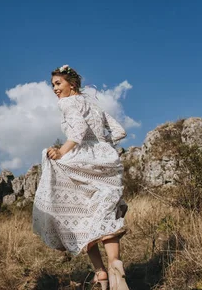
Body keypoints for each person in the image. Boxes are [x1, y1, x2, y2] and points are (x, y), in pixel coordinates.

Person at [33, 65, 130, 290]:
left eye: (58, 84)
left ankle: (100, 272)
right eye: (53, 85)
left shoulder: (67, 102)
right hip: (106, 163)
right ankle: (115, 266)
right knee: (105, 217)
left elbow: (77, 131)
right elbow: (119, 131)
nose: (55, 89)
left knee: (82, 220)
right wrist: (101, 144)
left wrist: (61, 151)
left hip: (80, 162)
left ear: (72, 84)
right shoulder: (95, 106)